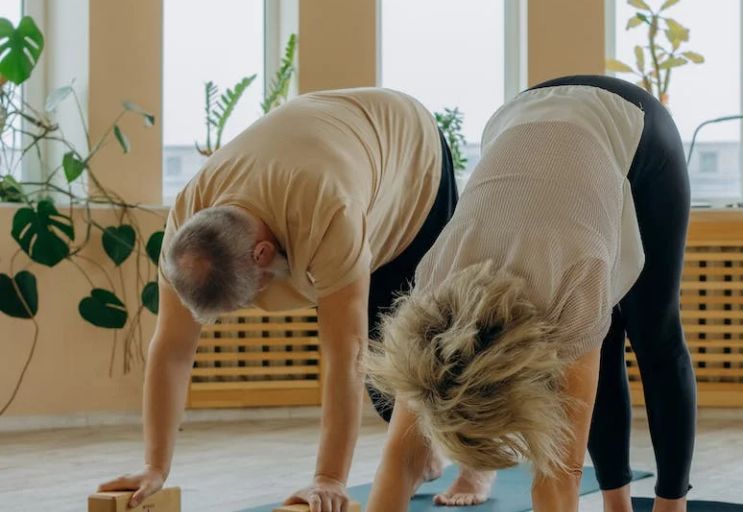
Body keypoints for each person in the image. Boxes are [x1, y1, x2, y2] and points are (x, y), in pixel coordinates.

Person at [98, 87, 458, 512]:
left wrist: (328, 480)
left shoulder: (327, 210)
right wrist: (154, 466)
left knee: (416, 353)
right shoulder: (188, 231)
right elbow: (172, 349)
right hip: (333, 152)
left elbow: (347, 354)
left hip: (410, 158)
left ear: (262, 254)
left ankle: (472, 465)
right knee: (390, 394)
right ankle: (423, 452)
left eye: (244, 302)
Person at [365, 75, 696, 512]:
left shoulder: (574, 281)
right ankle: (619, 506)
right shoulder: (431, 295)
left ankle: (672, 506)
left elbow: (559, 478)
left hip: (629, 122)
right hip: (521, 117)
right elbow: (399, 459)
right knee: (602, 339)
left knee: (654, 332)